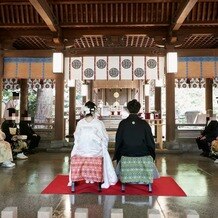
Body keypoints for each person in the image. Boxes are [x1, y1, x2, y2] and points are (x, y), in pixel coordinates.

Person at [68, 101, 118, 189]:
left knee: (76, 150)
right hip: (95, 153)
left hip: (81, 152)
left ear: (84, 111)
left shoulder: (80, 123)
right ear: (94, 111)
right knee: (103, 149)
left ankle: (81, 176)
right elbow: (105, 138)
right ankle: (98, 177)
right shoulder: (98, 123)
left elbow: (77, 138)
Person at [113, 99, 159, 178]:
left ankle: (123, 175)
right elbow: (150, 141)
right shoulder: (144, 124)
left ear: (128, 109)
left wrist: (117, 154)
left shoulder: (123, 123)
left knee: (121, 149)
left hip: (126, 153)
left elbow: (118, 141)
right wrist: (152, 154)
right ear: (139, 109)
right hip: (142, 153)